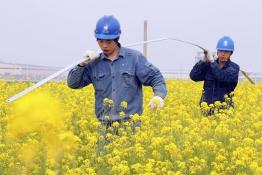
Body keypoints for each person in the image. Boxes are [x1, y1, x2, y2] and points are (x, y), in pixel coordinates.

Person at [67, 15, 167, 126]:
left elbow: (155, 77)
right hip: (105, 126)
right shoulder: (94, 63)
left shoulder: (134, 58)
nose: (104, 45)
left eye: (109, 42)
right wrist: (81, 65)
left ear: (117, 38)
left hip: (131, 125)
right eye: (100, 41)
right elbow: (73, 84)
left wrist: (158, 95)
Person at [190, 36, 240, 106]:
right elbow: (193, 76)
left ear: (231, 53)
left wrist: (212, 62)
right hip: (207, 109)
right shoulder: (209, 65)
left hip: (225, 110)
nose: (223, 54)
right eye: (221, 51)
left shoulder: (234, 68)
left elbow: (222, 77)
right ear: (217, 52)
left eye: (226, 52)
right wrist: (202, 62)